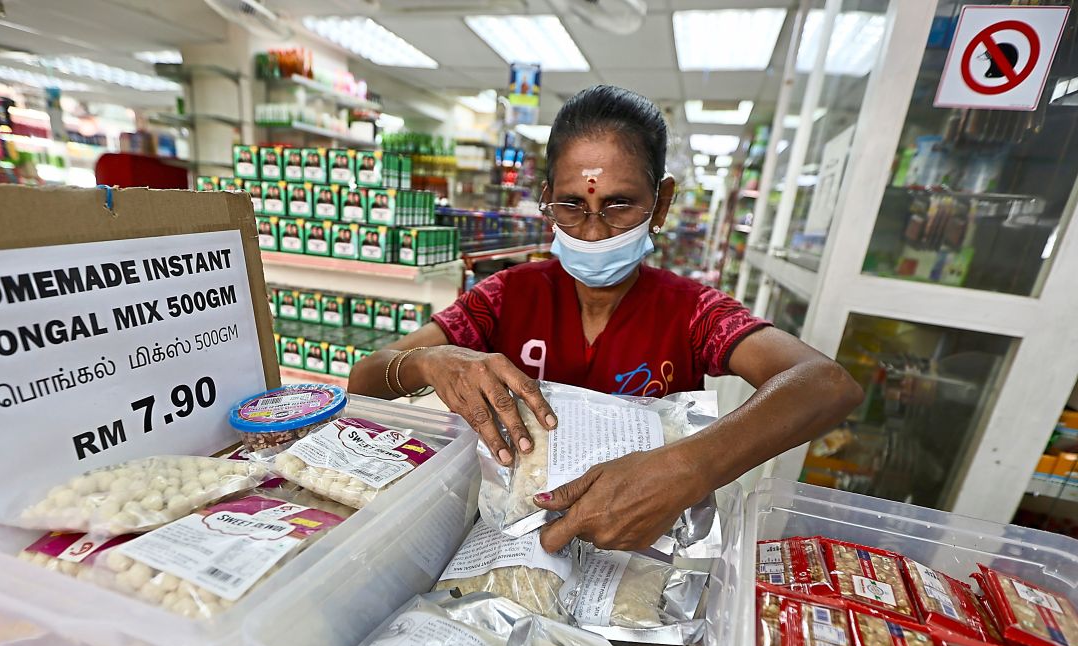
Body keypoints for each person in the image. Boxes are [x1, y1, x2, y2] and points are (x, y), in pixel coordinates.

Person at [349, 85, 863, 554]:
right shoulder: (505, 296)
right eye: (572, 206)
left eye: (619, 206)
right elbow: (365, 377)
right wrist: (429, 361)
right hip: (509, 538)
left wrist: (688, 467)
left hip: (639, 550)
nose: (593, 233)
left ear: (660, 204)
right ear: (546, 198)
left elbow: (825, 384)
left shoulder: (693, 313)